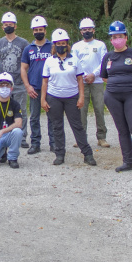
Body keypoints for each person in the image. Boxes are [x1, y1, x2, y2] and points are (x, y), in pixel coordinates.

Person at [100, 21, 132, 175]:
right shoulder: (108, 57)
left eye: (120, 36)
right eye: (114, 37)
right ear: (111, 39)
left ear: (126, 37)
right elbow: (104, 77)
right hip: (113, 96)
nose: (117, 39)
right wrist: (117, 84)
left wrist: (131, 83)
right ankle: (128, 162)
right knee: (122, 130)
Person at [41, 29, 97, 166]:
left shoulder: (75, 59)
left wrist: (81, 97)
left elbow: (80, 80)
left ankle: (87, 154)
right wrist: (43, 99)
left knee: (77, 125)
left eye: (63, 43)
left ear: (67, 44)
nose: (61, 46)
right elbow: (45, 81)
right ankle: (60, 154)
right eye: (58, 43)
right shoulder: (49, 61)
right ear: (54, 45)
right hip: (54, 96)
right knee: (57, 126)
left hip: (72, 96)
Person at [0, 12, 30, 148]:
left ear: (15, 26)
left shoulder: (23, 43)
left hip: (19, 82)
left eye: (10, 24)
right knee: (3, 110)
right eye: (6, 24)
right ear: (2, 27)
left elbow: (27, 62)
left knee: (21, 111)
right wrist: (4, 70)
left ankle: (22, 137)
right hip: (4, 84)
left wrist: (19, 72)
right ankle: (4, 136)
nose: (8, 26)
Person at [73, 17, 109, 148]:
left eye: (89, 29)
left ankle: (102, 137)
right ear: (81, 31)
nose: (87, 31)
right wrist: (83, 75)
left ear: (93, 30)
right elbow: (74, 63)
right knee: (81, 110)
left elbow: (104, 62)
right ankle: (81, 138)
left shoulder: (100, 45)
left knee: (99, 109)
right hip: (82, 82)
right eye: (84, 29)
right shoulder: (76, 46)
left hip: (97, 81)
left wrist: (94, 74)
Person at [20, 16, 54, 154]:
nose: (38, 32)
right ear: (33, 31)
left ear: (45, 31)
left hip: (51, 88)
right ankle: (35, 143)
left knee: (52, 116)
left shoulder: (52, 47)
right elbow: (23, 68)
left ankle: (54, 143)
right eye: (36, 30)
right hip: (34, 88)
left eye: (41, 29)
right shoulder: (28, 49)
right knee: (34, 117)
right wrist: (27, 86)